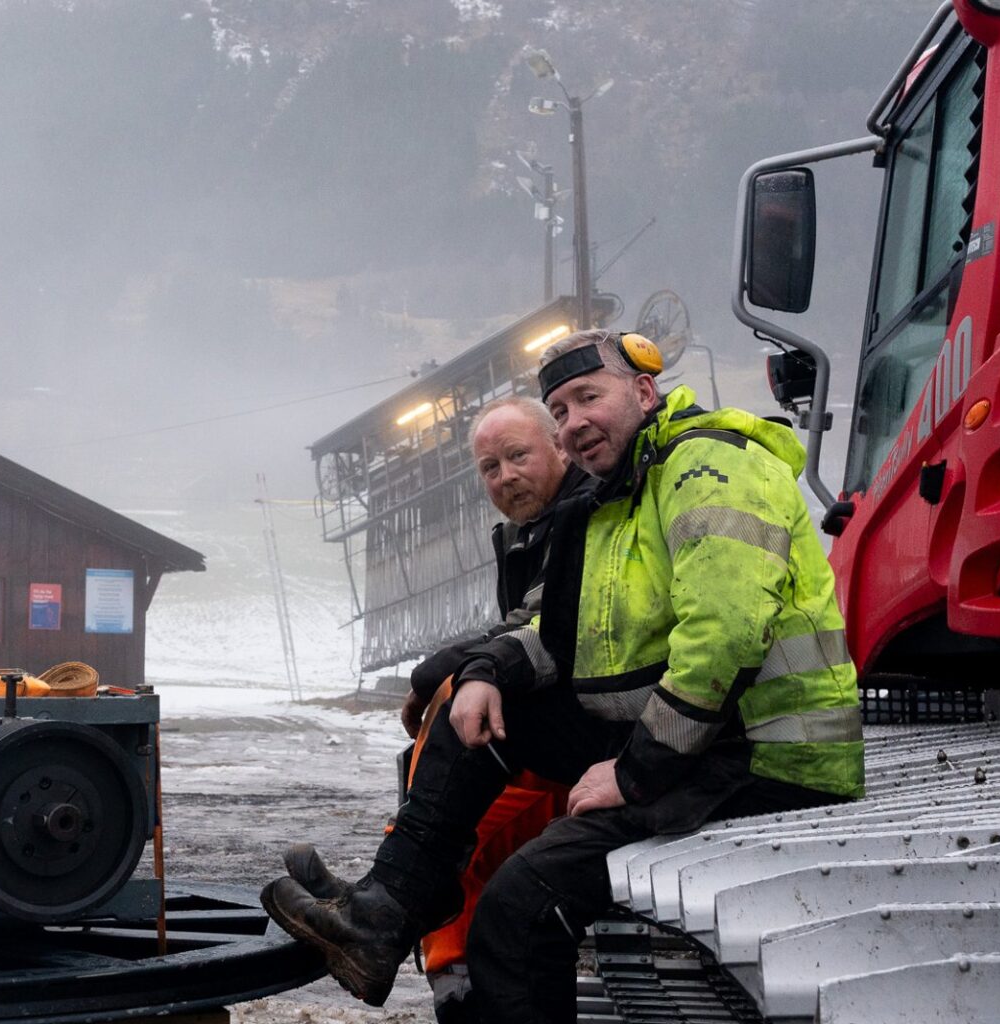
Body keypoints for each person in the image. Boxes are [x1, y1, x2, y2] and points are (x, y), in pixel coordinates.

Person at [263, 330, 864, 1023]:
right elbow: (564, 632)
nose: (575, 420)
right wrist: (484, 672)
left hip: (767, 757)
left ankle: (428, 945)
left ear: (644, 392)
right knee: (474, 716)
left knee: (519, 911)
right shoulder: (619, 494)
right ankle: (385, 912)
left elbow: (724, 634)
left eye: (588, 397)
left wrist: (632, 774)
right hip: (705, 744)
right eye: (561, 409)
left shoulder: (707, 465)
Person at [296, 395, 590, 1022]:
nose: (505, 476)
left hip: (604, 736)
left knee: (464, 819)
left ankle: (397, 928)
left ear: (559, 448)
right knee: (440, 797)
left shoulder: (584, 515)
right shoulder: (527, 532)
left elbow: (541, 627)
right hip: (569, 732)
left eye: (518, 456)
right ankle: (382, 907)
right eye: (490, 467)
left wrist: (437, 673)